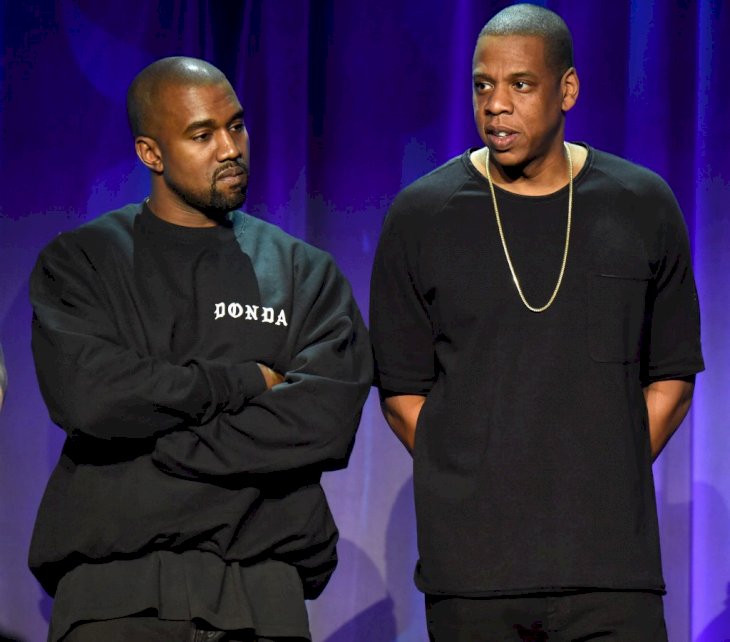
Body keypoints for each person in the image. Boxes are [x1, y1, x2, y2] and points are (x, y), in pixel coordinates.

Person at [369, 4, 703, 641]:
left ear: (566, 90)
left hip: (610, 573)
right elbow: (401, 391)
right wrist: (478, 479)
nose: (496, 104)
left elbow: (672, 375)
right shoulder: (422, 216)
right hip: (474, 577)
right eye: (482, 85)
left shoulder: (641, 205)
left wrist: (606, 470)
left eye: (520, 84)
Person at [29, 56, 372, 642]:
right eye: (201, 134)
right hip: (116, 592)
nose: (230, 147)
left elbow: (322, 420)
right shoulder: (83, 261)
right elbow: (91, 398)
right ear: (150, 154)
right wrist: (240, 383)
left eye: (236, 125)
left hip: (264, 587)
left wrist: (164, 441)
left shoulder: (303, 273)